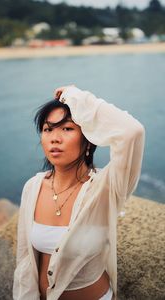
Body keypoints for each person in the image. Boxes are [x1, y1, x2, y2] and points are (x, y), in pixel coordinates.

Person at [13, 85, 145, 300]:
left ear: (87, 141)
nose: (55, 138)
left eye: (67, 129)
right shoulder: (33, 187)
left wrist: (75, 96)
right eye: (48, 129)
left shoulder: (106, 188)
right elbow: (25, 260)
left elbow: (132, 132)